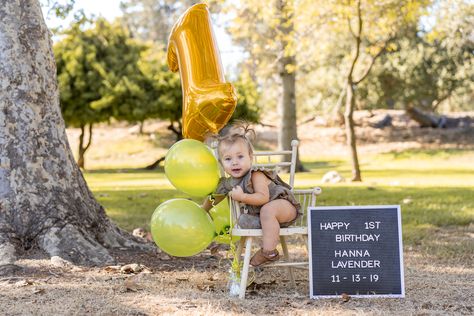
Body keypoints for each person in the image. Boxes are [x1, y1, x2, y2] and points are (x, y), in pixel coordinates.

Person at [203, 123, 300, 267]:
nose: (235, 162)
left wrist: (242, 197)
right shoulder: (227, 184)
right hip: (263, 219)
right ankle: (266, 247)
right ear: (221, 163)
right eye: (228, 159)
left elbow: (263, 198)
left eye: (240, 157)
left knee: (268, 209)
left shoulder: (256, 175)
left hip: (283, 208)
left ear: (250, 157)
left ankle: (269, 252)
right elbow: (215, 197)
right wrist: (203, 209)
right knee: (243, 219)